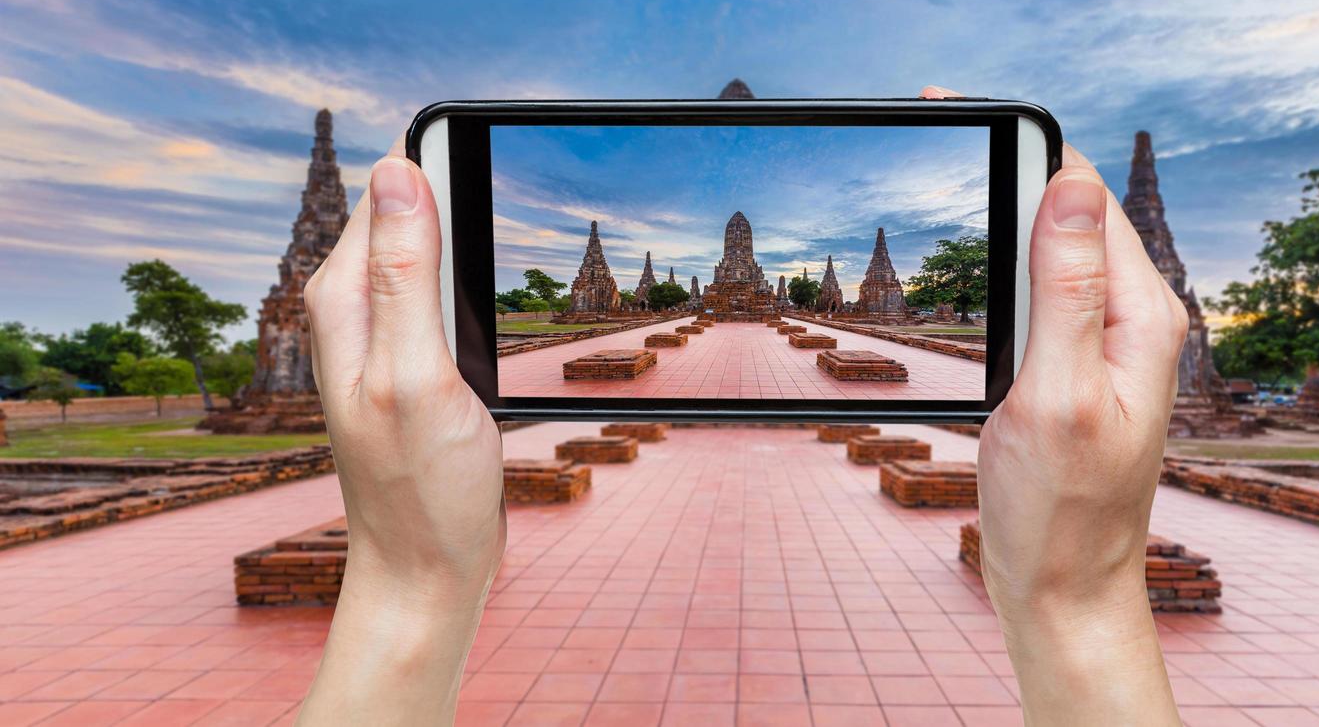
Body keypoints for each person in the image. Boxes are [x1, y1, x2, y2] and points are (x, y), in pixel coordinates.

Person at [297, 88, 1188, 726]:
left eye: (741, 248)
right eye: (735, 248)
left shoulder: (756, 277)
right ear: (731, 251)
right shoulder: (720, 276)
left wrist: (413, 583)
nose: (738, 256)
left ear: (746, 252)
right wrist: (1076, 598)